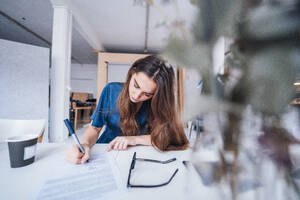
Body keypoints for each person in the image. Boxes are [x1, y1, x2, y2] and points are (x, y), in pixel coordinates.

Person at [66, 55, 189, 164]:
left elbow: (169, 137)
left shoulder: (159, 104)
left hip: (140, 155)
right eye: (136, 85)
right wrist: (85, 144)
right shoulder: (111, 90)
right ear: (132, 73)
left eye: (147, 94)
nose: (136, 95)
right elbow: (95, 128)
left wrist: (133, 139)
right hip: (107, 150)